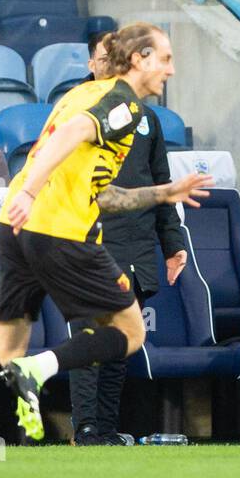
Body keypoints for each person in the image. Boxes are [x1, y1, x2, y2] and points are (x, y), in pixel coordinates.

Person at [0, 24, 214, 460]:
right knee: (130, 332)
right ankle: (37, 369)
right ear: (139, 59)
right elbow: (72, 137)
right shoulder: (122, 103)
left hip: (17, 229)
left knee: (1, 349)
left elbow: (104, 193)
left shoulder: (76, 97)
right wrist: (33, 190)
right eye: (164, 58)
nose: (171, 68)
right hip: (61, 231)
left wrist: (164, 193)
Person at [67, 31, 187, 447]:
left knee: (122, 342)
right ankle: (83, 429)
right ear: (91, 63)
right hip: (88, 242)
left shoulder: (146, 118)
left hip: (135, 246)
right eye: (103, 57)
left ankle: (103, 428)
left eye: (116, 58)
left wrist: (172, 244)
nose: (109, 64)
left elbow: (162, 184)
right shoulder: (75, 110)